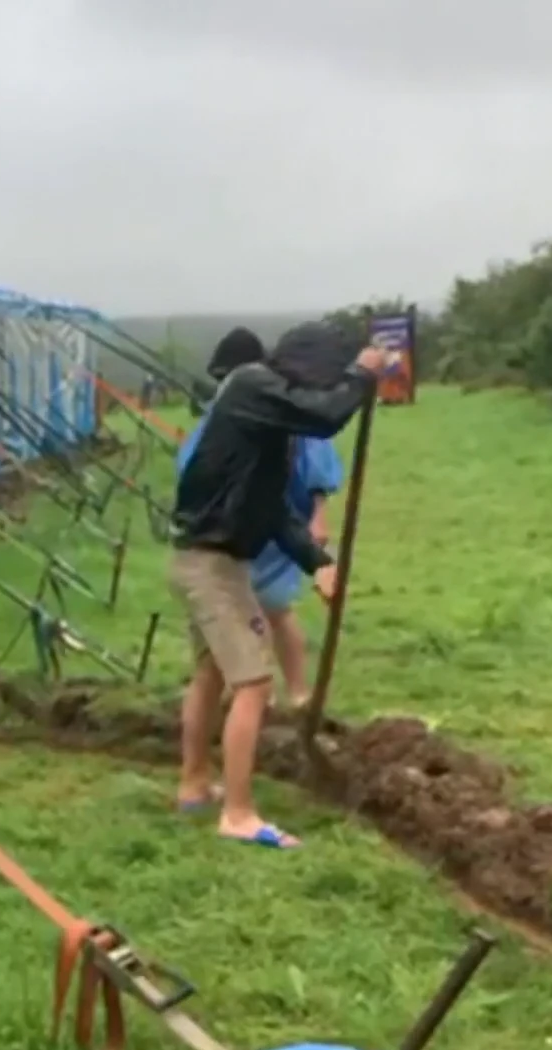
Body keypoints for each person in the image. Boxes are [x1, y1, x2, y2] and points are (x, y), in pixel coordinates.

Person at [169, 323, 386, 850]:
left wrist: (319, 563)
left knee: (210, 674)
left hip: (211, 559)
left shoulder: (267, 424)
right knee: (255, 682)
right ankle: (238, 814)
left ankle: (195, 784)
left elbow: (270, 511)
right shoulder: (250, 384)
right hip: (211, 565)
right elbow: (327, 415)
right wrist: (363, 374)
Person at [179, 331, 345, 708]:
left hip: (279, 525)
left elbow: (318, 461)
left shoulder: (285, 409)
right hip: (227, 530)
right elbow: (193, 471)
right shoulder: (216, 419)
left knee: (275, 607)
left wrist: (318, 518)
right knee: (239, 611)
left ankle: (297, 691)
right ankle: (249, 690)